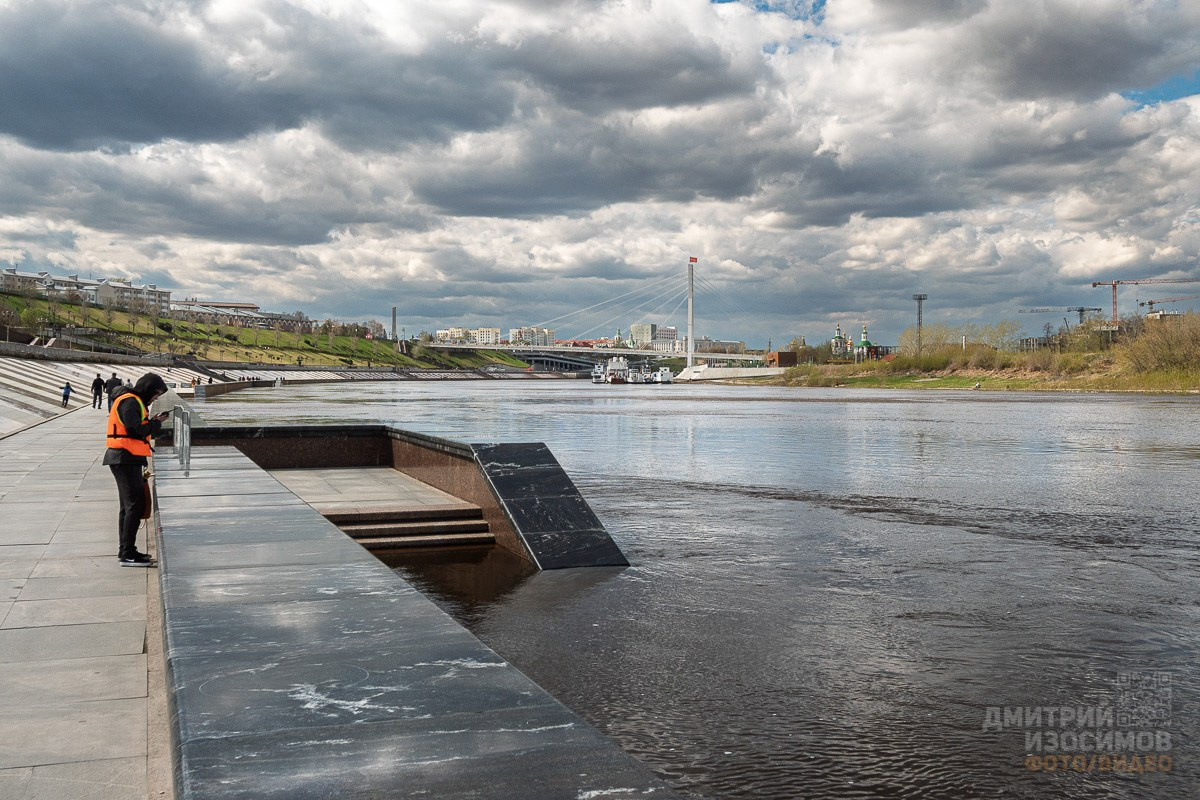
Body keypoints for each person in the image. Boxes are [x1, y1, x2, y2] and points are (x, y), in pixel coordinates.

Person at [104, 372, 170, 567]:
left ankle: (126, 550)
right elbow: (135, 429)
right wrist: (156, 423)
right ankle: (127, 553)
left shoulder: (132, 400)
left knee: (128, 506)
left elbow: (135, 426)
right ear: (148, 389)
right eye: (155, 395)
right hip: (124, 457)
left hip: (126, 457)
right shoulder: (130, 401)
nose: (155, 398)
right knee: (134, 505)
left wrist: (153, 421)